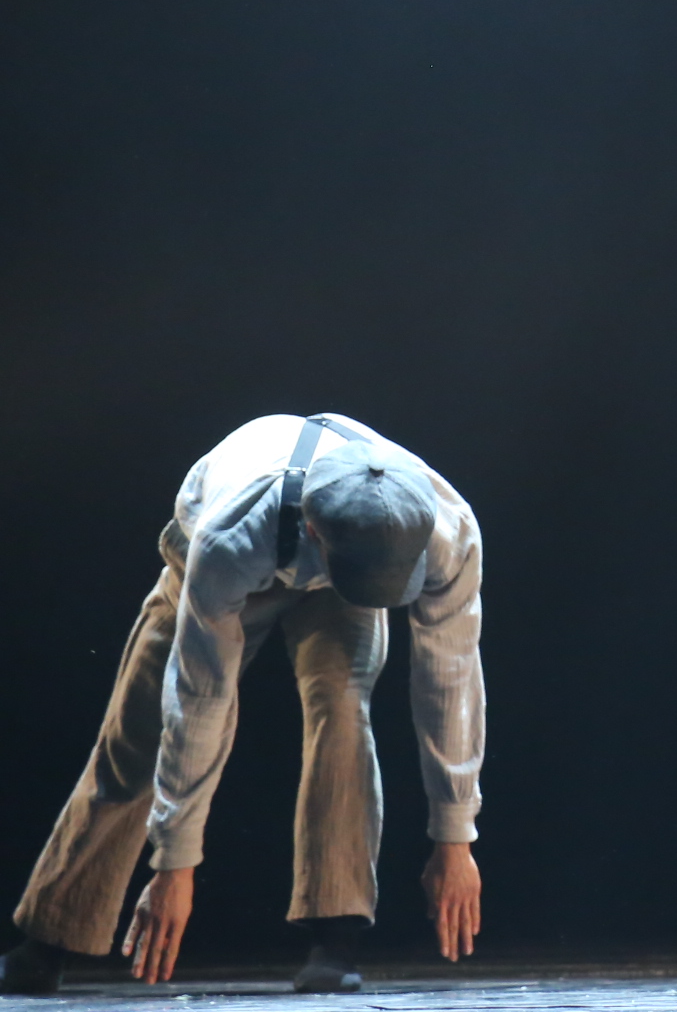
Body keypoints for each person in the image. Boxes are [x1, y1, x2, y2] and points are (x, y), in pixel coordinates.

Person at [0, 415, 485, 997]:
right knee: (143, 729)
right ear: (313, 531)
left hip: (353, 560)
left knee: (342, 708)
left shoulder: (447, 531)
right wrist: (174, 863)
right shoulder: (228, 538)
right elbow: (199, 697)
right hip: (229, 556)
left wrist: (454, 838)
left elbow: (449, 680)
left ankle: (336, 935)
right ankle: (51, 934)